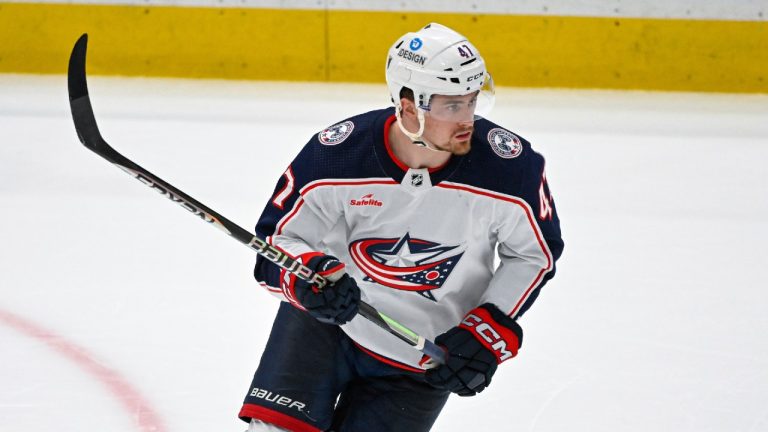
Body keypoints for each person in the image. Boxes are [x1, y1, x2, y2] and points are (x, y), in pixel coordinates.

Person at [239, 23, 564, 432]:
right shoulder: (336, 157)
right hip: (324, 324)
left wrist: (487, 328)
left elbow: (533, 254)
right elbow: (274, 244)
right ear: (409, 108)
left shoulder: (510, 170)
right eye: (451, 107)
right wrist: (305, 278)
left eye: (472, 101)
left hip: (422, 353)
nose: (468, 119)